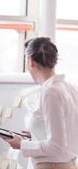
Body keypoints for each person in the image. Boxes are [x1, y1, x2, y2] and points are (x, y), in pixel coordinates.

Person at [5, 37, 78, 169]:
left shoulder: (51, 92)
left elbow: (56, 146)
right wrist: (36, 131)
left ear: (31, 61)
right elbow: (66, 132)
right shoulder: (69, 87)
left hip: (52, 165)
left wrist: (21, 144)